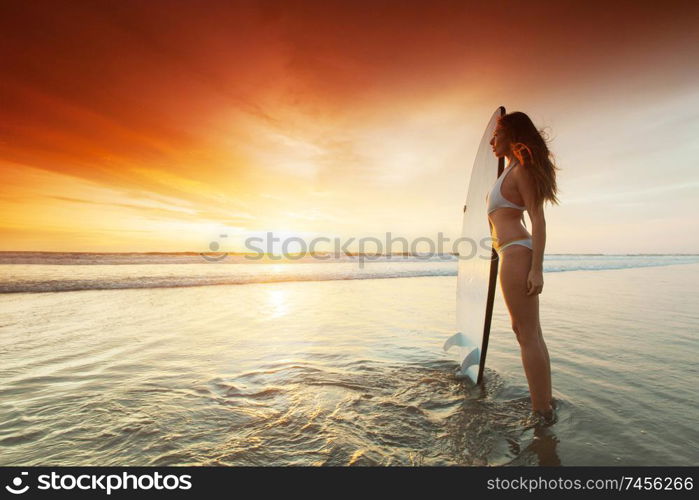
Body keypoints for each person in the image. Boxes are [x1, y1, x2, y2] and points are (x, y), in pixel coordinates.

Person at [487, 111, 560, 424]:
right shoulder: (510, 169)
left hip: (518, 253)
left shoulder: (522, 172)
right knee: (530, 333)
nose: (491, 141)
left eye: (496, 135)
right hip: (509, 252)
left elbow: (538, 219)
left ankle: (541, 412)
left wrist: (537, 269)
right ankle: (544, 404)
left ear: (511, 135)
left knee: (526, 334)